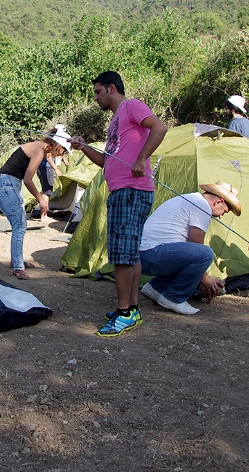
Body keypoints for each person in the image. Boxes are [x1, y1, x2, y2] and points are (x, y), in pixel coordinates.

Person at [69, 70, 167, 338]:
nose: (96, 99)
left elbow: (160, 128)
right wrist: (84, 147)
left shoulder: (131, 106)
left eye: (98, 93)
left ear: (112, 88)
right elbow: (106, 162)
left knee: (123, 254)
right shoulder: (116, 121)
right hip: (122, 191)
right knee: (130, 253)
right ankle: (132, 310)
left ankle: (124, 313)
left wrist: (141, 159)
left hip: (132, 190)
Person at [137, 182, 241, 315]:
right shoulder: (202, 205)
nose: (221, 216)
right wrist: (205, 279)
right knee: (205, 253)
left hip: (142, 255)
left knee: (191, 255)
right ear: (218, 202)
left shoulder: (192, 199)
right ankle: (174, 298)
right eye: (224, 212)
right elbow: (196, 244)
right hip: (150, 255)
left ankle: (156, 288)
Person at [0, 129, 72, 279]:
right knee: (20, 226)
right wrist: (40, 199)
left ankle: (17, 260)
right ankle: (18, 267)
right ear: (57, 145)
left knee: (19, 225)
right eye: (63, 150)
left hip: (8, 184)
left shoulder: (39, 146)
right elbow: (28, 179)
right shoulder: (40, 149)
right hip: (6, 185)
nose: (62, 154)